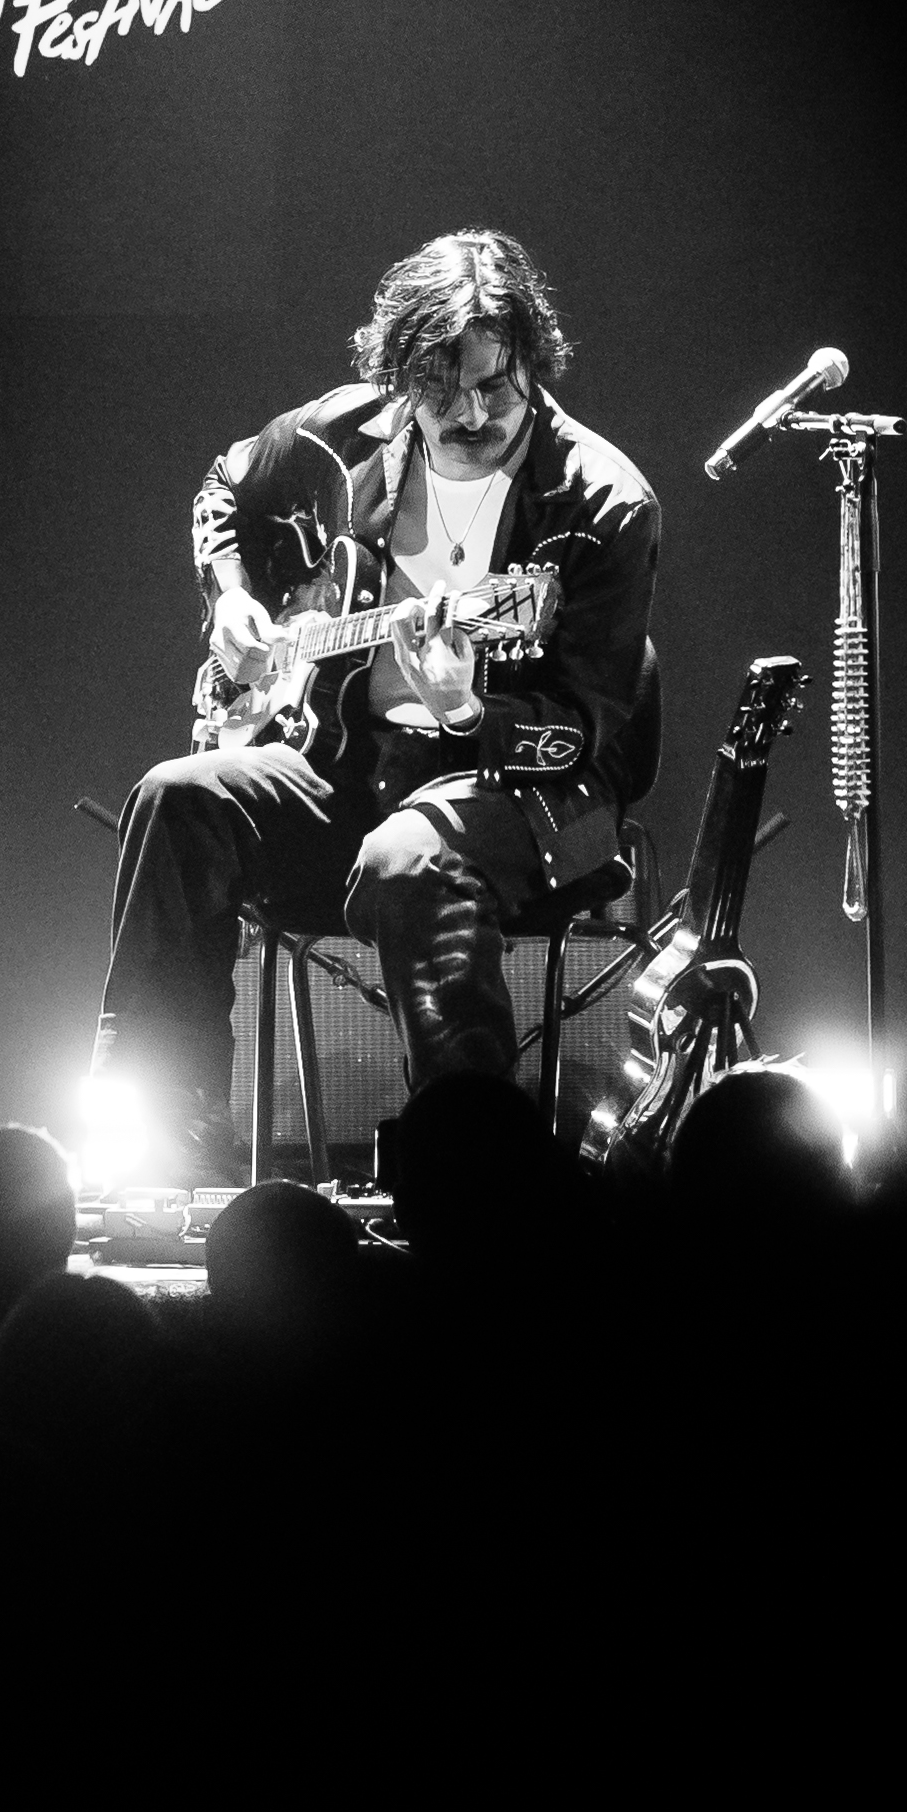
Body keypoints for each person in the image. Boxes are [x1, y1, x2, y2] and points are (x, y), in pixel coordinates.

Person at [93, 228, 659, 1163]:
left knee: (408, 858)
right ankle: (166, 1131)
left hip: (530, 798)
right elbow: (223, 487)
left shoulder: (602, 502)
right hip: (353, 768)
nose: (474, 413)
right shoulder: (344, 433)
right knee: (176, 798)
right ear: (401, 381)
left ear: (531, 360)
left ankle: (474, 1162)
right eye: (443, 391)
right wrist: (232, 596)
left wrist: (469, 711)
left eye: (498, 385)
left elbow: (588, 732)